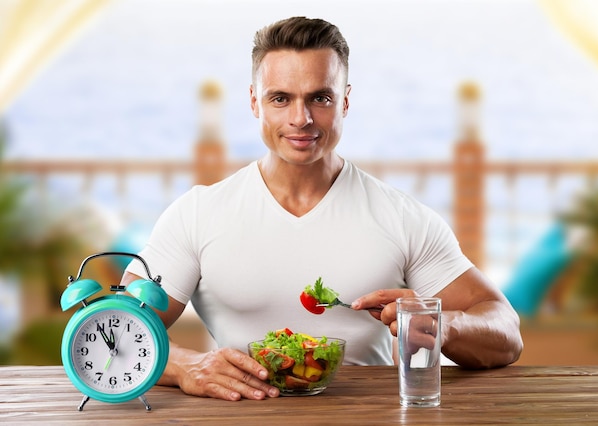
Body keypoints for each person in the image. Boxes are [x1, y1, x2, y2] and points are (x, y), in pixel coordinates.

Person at [121, 16, 523, 401]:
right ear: (254, 102)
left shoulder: (401, 217)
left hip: (370, 416)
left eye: (320, 98)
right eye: (281, 98)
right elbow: (118, 323)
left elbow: (505, 331)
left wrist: (442, 325)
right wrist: (187, 365)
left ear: (344, 102)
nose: (301, 119)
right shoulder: (197, 214)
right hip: (242, 414)